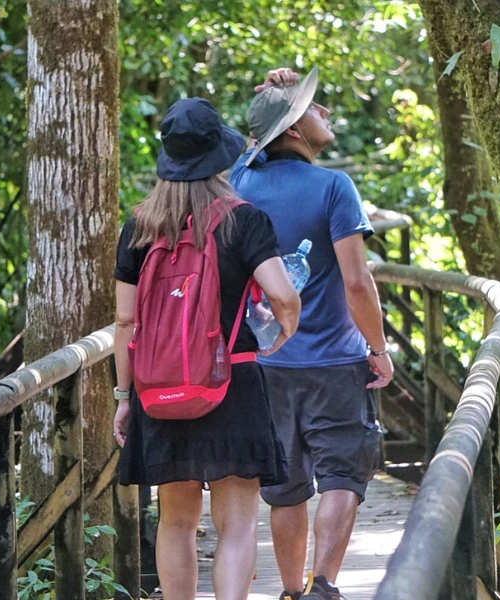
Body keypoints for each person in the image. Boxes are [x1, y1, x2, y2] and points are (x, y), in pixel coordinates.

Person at [111, 97, 301, 600]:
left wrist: (124, 397)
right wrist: (282, 332)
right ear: (220, 154)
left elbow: (126, 321)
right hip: (231, 381)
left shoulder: (139, 226)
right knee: (235, 525)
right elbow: (283, 296)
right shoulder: (244, 220)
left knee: (175, 520)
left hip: (160, 389)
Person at [230, 67, 394, 600]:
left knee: (285, 487)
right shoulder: (333, 187)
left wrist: (278, 98)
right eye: (315, 107)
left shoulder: (239, 183)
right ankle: (323, 584)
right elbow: (357, 281)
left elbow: (250, 147)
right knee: (343, 477)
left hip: (264, 366)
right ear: (296, 130)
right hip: (335, 363)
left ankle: (293, 592)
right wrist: (378, 348)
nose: (326, 113)